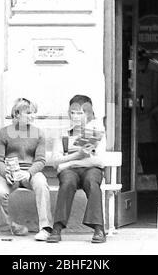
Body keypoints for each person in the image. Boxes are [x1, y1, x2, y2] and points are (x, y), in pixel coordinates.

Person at [47, 95, 107, 244]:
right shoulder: (64, 134)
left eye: (80, 113)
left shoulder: (95, 132)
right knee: (67, 182)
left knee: (92, 182)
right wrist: (76, 156)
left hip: (90, 170)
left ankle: (99, 228)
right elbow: (55, 160)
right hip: (70, 173)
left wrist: (69, 163)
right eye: (73, 112)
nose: (75, 116)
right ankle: (57, 228)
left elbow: (99, 161)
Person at [0, 98, 53, 241]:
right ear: (17, 114)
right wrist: (5, 173)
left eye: (33, 113)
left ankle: (45, 228)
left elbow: (41, 160)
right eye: (28, 113)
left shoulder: (38, 134)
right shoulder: (3, 133)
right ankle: (8, 227)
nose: (32, 116)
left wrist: (29, 173)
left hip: (30, 172)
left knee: (42, 184)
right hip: (10, 173)